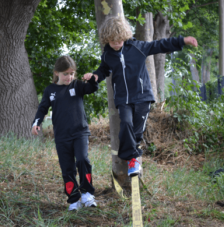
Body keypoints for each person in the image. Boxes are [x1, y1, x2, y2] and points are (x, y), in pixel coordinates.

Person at [82, 16, 198, 177]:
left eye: (119, 40)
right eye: (111, 41)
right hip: (123, 99)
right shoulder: (108, 55)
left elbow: (159, 45)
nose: (115, 44)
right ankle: (133, 160)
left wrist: (182, 40)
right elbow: (102, 71)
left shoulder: (138, 47)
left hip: (143, 96)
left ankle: (129, 154)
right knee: (126, 124)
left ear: (124, 36)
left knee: (137, 132)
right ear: (106, 40)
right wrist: (94, 77)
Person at [32, 55, 98, 211]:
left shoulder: (78, 85)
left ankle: (87, 193)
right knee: (67, 168)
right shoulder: (50, 90)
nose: (69, 77)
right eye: (66, 74)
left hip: (80, 133)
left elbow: (92, 88)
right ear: (57, 73)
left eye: (72, 73)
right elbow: (42, 109)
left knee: (82, 160)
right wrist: (36, 123)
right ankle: (74, 199)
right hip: (62, 136)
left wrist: (92, 79)